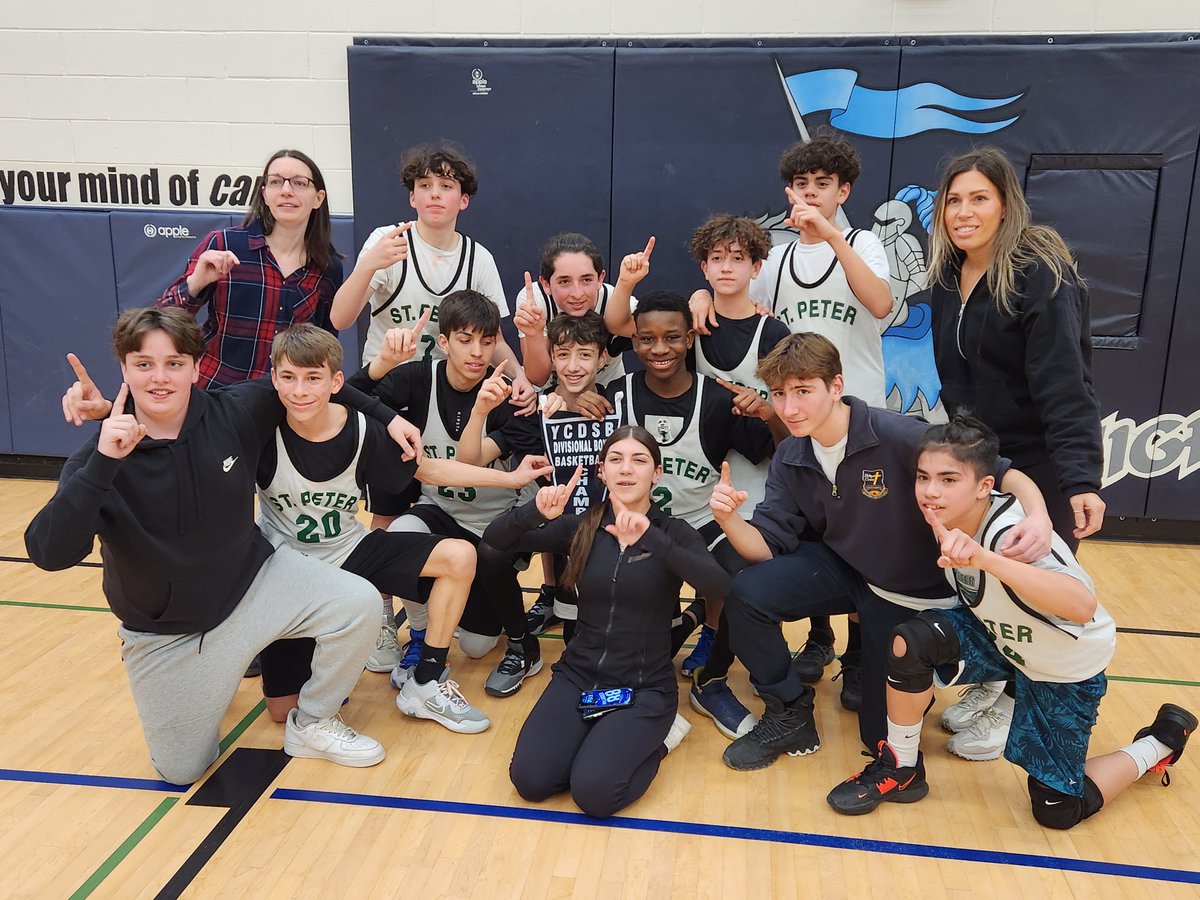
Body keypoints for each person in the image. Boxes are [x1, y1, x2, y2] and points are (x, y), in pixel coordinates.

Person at [28, 307, 414, 784]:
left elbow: (317, 382)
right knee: (182, 771)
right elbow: (49, 553)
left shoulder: (235, 409)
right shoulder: (99, 458)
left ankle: (313, 722)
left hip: (252, 587)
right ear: (124, 369)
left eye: (174, 363)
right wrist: (105, 461)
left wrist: (384, 415)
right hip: (167, 632)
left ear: (195, 366)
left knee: (357, 602)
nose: (160, 377)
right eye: (144, 365)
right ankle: (206, 682)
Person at [709, 333, 1056, 771]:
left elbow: (1004, 473)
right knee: (747, 591)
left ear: (835, 386)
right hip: (846, 567)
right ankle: (788, 711)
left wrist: (1039, 515)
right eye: (779, 394)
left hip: (907, 592)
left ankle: (976, 676)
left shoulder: (899, 434)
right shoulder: (791, 455)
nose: (790, 408)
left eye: (803, 391)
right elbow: (764, 549)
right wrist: (729, 520)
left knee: (879, 738)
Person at [826, 414, 1194, 828]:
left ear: (985, 486)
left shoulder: (1013, 533)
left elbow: (1082, 605)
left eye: (949, 480)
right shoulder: (943, 517)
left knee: (1057, 812)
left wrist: (986, 559)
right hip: (1006, 641)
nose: (930, 491)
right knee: (912, 641)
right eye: (923, 477)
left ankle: (1158, 742)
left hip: (1064, 665)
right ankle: (901, 768)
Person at [253, 324, 554, 733]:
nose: (301, 390)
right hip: (288, 570)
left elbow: (429, 468)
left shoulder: (359, 428)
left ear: (336, 383)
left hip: (347, 554)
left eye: (313, 379)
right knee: (281, 710)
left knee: (457, 555)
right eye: (288, 378)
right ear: (273, 379)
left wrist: (512, 479)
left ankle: (426, 680)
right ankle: (325, 639)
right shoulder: (255, 428)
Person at [690, 134, 898, 685]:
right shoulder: (777, 258)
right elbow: (728, 290)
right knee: (808, 533)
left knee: (859, 534)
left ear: (843, 190)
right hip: (799, 416)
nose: (811, 194)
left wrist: (831, 236)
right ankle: (821, 637)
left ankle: (858, 653)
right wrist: (699, 299)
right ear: (788, 190)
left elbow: (881, 304)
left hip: (857, 415)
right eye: (801, 185)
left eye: (823, 185)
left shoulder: (864, 243)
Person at [926, 147, 1106, 759]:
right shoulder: (949, 274)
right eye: (954, 199)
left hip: (1043, 460)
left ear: (1006, 204)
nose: (964, 211)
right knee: (985, 584)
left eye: (979, 197)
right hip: (985, 459)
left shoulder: (1039, 271)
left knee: (1031, 586)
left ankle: (1019, 702)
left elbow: (1066, 381)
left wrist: (1080, 478)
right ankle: (1000, 678)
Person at [484, 426, 732, 818]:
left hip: (644, 687)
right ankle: (596, 745)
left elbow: (719, 585)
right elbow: (494, 541)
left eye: (639, 460)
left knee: (595, 795)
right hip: (579, 675)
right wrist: (533, 513)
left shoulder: (673, 532)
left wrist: (653, 540)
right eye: (615, 459)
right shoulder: (581, 527)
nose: (626, 469)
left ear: (657, 472)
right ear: (602, 471)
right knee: (531, 782)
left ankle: (662, 738)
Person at [347, 290, 546, 695]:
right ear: (443, 342)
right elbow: (349, 398)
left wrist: (479, 414)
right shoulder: (417, 377)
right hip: (440, 513)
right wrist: (383, 364)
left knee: (476, 646)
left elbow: (468, 467)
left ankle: (458, 613)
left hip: (493, 528)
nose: (477, 351)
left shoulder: (512, 397)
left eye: (487, 341)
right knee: (402, 528)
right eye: (465, 339)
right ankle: (419, 636)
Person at [607, 291, 785, 693]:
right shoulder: (617, 394)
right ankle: (683, 620)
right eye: (646, 339)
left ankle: (715, 651)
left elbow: (775, 448)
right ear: (633, 343)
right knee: (652, 652)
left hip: (703, 522)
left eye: (671, 337)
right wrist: (568, 399)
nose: (659, 348)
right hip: (641, 525)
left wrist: (768, 413)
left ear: (689, 340)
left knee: (742, 581)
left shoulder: (718, 398)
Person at [329, 143, 533, 408]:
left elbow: (493, 339)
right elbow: (340, 319)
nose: (435, 194)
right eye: (425, 185)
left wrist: (519, 376)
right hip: (385, 386)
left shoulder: (478, 259)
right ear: (413, 198)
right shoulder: (388, 241)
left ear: (463, 200)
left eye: (446, 186)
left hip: (442, 394)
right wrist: (367, 266)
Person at [156, 149, 342, 389]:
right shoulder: (224, 244)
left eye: (299, 183)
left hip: (282, 403)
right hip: (217, 395)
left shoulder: (328, 266)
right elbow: (160, 322)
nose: (286, 190)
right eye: (275, 182)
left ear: (318, 198)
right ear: (265, 194)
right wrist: (196, 282)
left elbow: (324, 349)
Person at [521, 311, 620, 640]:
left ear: (603, 357)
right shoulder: (539, 408)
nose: (573, 366)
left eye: (585, 355)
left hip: (610, 529)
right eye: (563, 355)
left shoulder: (619, 402)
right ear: (551, 356)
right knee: (574, 633)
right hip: (561, 530)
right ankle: (523, 643)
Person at [511, 232, 638, 388]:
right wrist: (534, 335)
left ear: (600, 278)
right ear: (546, 284)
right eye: (564, 281)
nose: (577, 294)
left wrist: (626, 285)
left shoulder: (616, 301)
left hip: (606, 393)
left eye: (586, 280)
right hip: (552, 399)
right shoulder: (535, 302)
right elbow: (538, 378)